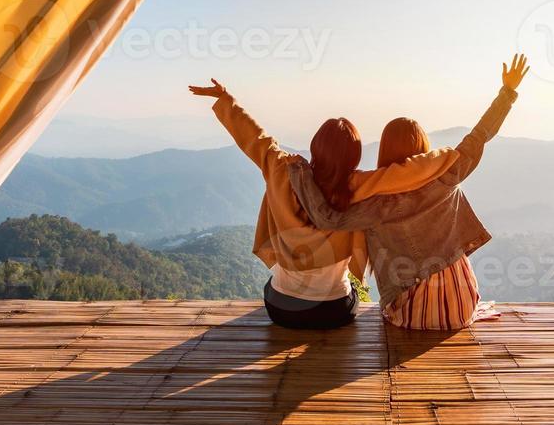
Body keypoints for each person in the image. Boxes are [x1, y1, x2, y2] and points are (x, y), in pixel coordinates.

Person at [187, 79, 460, 329]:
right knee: (350, 293)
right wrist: (450, 156)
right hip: (334, 310)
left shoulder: (282, 170)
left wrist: (225, 99)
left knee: (274, 288)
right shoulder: (358, 186)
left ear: (315, 145)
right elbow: (405, 172)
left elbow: (255, 139)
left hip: (281, 309)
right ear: (354, 156)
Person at [288, 54, 528, 330]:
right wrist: (507, 92)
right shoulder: (447, 172)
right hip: (461, 304)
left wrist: (301, 173)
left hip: (413, 313)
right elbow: (481, 134)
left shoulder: (378, 202)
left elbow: (327, 219)